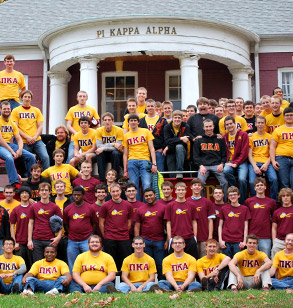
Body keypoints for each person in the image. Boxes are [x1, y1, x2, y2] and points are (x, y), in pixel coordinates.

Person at [11, 89, 50, 170]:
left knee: (45, 156)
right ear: (22, 98)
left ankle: (46, 177)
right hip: (23, 140)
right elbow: (15, 127)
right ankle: (30, 179)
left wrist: (34, 137)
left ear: (31, 99)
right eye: (25, 97)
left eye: (29, 97)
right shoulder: (16, 110)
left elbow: (40, 126)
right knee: (28, 159)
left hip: (36, 140)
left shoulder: (36, 110)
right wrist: (27, 137)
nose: (27, 98)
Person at [0, 101, 36, 188]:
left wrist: (19, 149)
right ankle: (15, 182)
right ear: (1, 110)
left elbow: (19, 139)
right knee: (9, 157)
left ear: (10, 110)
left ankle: (31, 179)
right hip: (1, 145)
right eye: (4, 109)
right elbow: (1, 140)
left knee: (31, 156)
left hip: (8, 145)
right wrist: (12, 151)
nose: (7, 110)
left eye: (8, 109)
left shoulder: (12, 123)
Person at [63, 186, 98, 272]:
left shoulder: (90, 207)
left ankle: (88, 279)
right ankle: (73, 283)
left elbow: (94, 222)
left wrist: (90, 233)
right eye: (74, 195)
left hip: (87, 239)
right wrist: (71, 232)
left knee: (89, 261)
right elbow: (65, 224)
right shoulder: (68, 208)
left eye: (78, 195)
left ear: (83, 195)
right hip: (72, 240)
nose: (76, 197)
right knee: (72, 263)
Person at [123, 114, 157, 201]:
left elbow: (152, 149)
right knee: (134, 186)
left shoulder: (145, 131)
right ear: (128, 123)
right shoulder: (126, 135)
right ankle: (136, 206)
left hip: (144, 160)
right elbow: (125, 154)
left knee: (147, 184)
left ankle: (147, 205)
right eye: (131, 121)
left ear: (138, 122)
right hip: (132, 161)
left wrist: (154, 164)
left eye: (135, 120)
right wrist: (125, 170)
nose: (133, 122)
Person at [99, 183, 133, 270]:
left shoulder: (128, 205)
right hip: (110, 238)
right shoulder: (105, 205)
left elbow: (129, 222)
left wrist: (124, 231)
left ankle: (124, 283)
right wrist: (106, 235)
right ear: (110, 193)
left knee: (124, 263)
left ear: (121, 191)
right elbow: (101, 223)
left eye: (117, 191)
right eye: (113, 191)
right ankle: (111, 283)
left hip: (124, 238)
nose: (115, 193)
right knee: (111, 264)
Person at [134, 188, 166, 280]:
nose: (149, 197)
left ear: (155, 195)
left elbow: (167, 224)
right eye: (146, 196)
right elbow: (137, 226)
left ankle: (162, 284)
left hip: (159, 240)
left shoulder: (162, 207)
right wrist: (137, 241)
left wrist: (167, 239)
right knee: (146, 265)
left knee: (160, 264)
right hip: (145, 241)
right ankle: (147, 284)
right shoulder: (140, 209)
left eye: (150, 195)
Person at [27, 182, 63, 262]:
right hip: (36, 240)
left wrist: (58, 237)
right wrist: (29, 240)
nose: (44, 192)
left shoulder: (55, 207)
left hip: (50, 240)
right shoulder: (33, 207)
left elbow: (61, 223)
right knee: (38, 264)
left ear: (49, 192)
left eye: (46, 190)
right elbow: (30, 223)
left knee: (50, 264)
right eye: (42, 190)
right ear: (38, 192)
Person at [193, 119, 228, 198]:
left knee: (225, 182)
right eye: (207, 127)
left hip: (217, 165)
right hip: (204, 166)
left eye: (210, 126)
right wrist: (200, 166)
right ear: (203, 128)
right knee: (200, 183)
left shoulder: (219, 139)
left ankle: (224, 201)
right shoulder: (199, 140)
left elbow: (224, 155)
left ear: (213, 127)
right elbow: (195, 156)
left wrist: (222, 164)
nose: (209, 128)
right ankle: (202, 201)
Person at [248, 115, 278, 201]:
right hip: (255, 162)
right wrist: (255, 166)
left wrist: (266, 164)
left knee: (274, 179)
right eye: (258, 123)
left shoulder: (269, 136)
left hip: (267, 162)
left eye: (262, 123)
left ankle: (273, 202)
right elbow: (249, 154)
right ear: (255, 124)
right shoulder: (251, 137)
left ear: (265, 124)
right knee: (251, 182)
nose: (260, 124)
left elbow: (272, 153)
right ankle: (255, 202)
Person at [165, 182, 198, 259]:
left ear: (186, 191)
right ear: (175, 191)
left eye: (182, 190)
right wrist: (170, 238)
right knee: (175, 262)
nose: (181, 192)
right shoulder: (170, 206)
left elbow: (194, 222)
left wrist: (195, 237)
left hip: (189, 238)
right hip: (175, 239)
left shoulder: (191, 205)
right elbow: (168, 223)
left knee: (192, 261)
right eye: (179, 190)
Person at [244, 178, 276, 258]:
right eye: (257, 185)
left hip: (266, 236)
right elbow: (245, 220)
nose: (260, 187)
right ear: (254, 188)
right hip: (252, 235)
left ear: (265, 187)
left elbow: (274, 220)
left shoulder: (271, 202)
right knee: (252, 260)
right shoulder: (249, 201)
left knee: (265, 260)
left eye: (262, 185)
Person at [65, 90, 100, 163]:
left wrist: (90, 132)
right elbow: (68, 125)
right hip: (76, 137)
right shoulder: (72, 109)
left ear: (87, 98)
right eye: (80, 96)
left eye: (84, 96)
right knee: (71, 156)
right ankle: (72, 173)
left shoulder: (92, 109)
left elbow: (97, 124)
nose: (82, 98)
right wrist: (76, 133)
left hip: (89, 138)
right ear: (77, 98)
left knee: (87, 155)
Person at [218, 186, 251, 258]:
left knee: (237, 265)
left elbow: (246, 226)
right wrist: (220, 240)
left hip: (239, 242)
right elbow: (220, 226)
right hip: (226, 241)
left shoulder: (244, 209)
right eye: (230, 195)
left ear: (238, 195)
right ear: (228, 197)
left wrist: (244, 241)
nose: (233, 196)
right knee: (225, 264)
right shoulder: (224, 208)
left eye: (234, 194)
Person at [223, 116, 249, 204]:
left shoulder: (243, 134)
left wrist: (236, 163)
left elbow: (244, 152)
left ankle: (242, 202)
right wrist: (229, 163)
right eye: (227, 124)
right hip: (230, 161)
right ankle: (236, 191)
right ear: (225, 126)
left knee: (242, 179)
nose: (229, 126)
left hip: (242, 162)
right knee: (226, 171)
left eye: (231, 123)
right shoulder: (225, 137)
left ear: (235, 124)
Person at [188, 178, 216, 257]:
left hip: (204, 237)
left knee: (204, 259)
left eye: (199, 185)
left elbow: (210, 221)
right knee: (192, 260)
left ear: (202, 188)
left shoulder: (207, 202)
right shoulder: (187, 201)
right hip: (191, 237)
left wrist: (210, 236)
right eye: (195, 185)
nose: (197, 187)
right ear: (191, 187)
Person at [139, 99, 168, 172]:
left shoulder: (162, 121)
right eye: (148, 106)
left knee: (159, 173)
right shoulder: (141, 121)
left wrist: (162, 147)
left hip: (158, 150)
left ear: (155, 107)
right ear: (146, 108)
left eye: (152, 106)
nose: (150, 108)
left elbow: (166, 136)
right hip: (145, 151)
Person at [10, 186, 33, 270]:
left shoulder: (33, 208)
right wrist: (14, 242)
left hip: (32, 242)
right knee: (20, 267)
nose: (24, 195)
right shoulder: (16, 210)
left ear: (29, 195)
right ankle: (19, 282)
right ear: (19, 195)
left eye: (26, 193)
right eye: (22, 193)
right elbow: (12, 226)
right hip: (19, 242)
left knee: (32, 265)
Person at [95, 112, 123, 182]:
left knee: (115, 153)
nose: (107, 122)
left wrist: (104, 147)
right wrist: (113, 144)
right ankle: (102, 180)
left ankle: (115, 178)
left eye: (109, 120)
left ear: (112, 121)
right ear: (102, 121)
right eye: (105, 120)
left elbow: (118, 147)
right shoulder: (99, 130)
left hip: (115, 153)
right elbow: (99, 146)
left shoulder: (119, 130)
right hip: (104, 153)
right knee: (99, 154)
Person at [270, 107, 293, 189]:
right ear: (284, 117)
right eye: (287, 115)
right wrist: (273, 161)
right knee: (284, 183)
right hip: (281, 158)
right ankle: (285, 202)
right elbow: (272, 147)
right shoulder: (278, 130)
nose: (289, 117)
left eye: (291, 115)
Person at [163, 110, 190, 178]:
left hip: (182, 151)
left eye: (179, 118)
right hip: (170, 151)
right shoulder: (167, 127)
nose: (177, 119)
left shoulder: (186, 126)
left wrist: (169, 146)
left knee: (179, 146)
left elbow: (185, 141)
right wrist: (180, 138)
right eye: (175, 117)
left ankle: (179, 171)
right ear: (172, 118)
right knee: (172, 174)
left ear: (181, 119)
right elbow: (167, 141)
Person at [50, 180, 72, 263]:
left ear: (65, 188)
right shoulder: (51, 201)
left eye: (61, 186)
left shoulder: (70, 202)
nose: (59, 188)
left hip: (65, 236)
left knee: (66, 259)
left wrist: (68, 233)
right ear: (54, 189)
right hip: (52, 236)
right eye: (57, 187)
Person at [271, 188, 293, 259]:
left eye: (287, 195)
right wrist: (274, 240)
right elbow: (274, 228)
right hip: (279, 241)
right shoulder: (277, 212)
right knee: (275, 262)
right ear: (281, 198)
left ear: (291, 197)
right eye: (283, 196)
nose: (285, 198)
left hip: (292, 240)